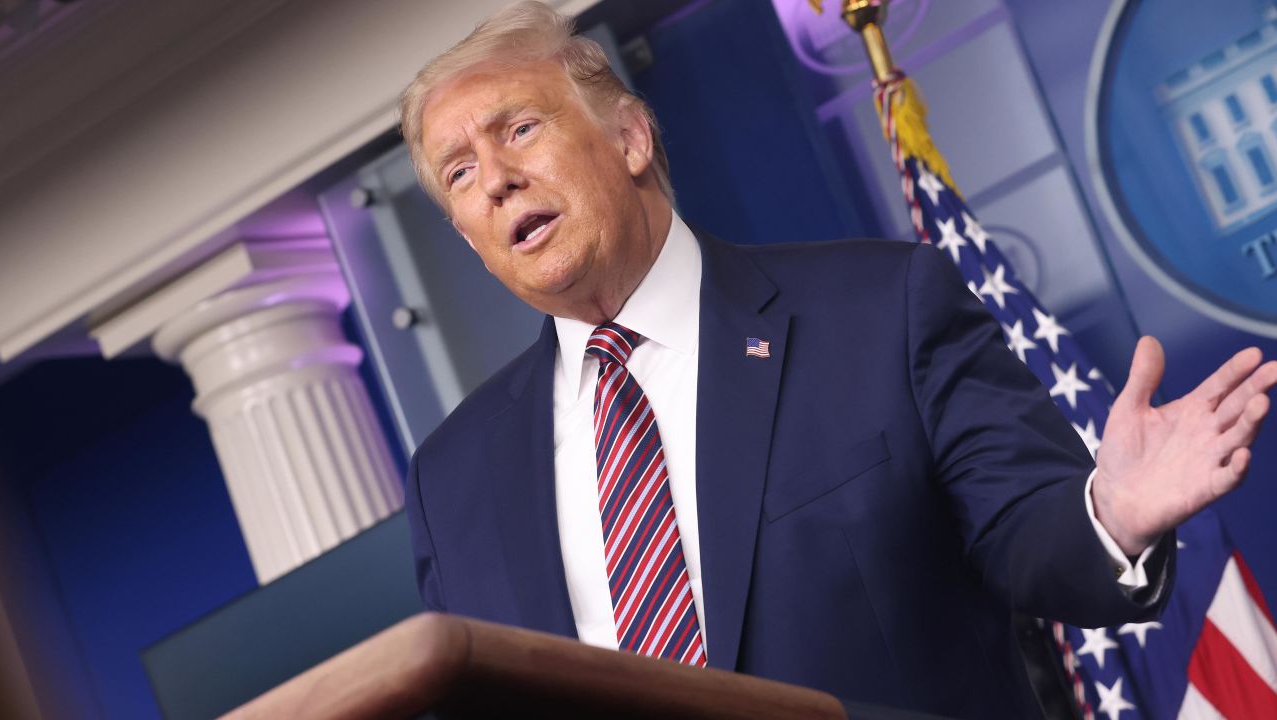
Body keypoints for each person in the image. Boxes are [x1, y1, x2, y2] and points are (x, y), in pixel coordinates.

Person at [395, 3, 1277, 717]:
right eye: (460, 174)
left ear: (629, 139)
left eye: (518, 129)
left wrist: (1113, 515)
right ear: (469, 240)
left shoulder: (880, 312)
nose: (496, 179)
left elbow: (1025, 536)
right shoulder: (452, 479)